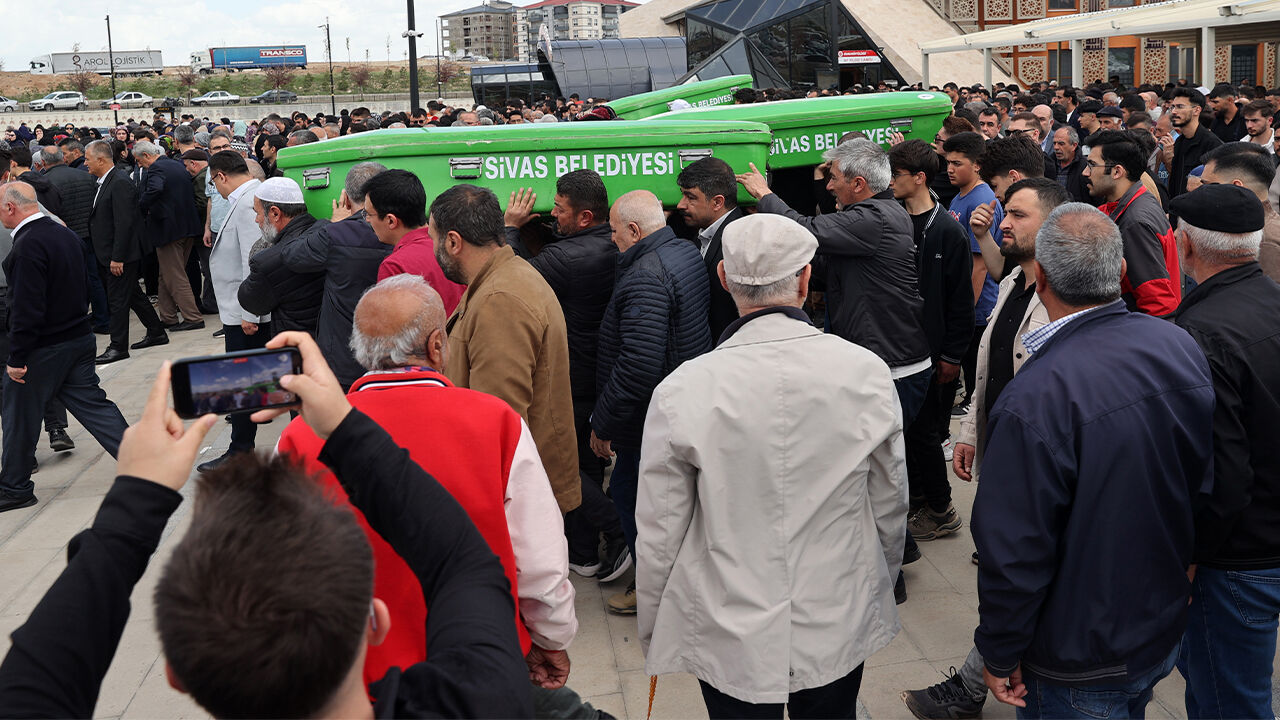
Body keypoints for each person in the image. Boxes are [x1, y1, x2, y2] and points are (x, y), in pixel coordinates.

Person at [0, 337, 534, 717]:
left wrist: (135, 499)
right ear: (375, 622)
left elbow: (40, 672)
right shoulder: (480, 700)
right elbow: (462, 559)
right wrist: (341, 424)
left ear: (175, 674)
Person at [636, 213, 907, 720]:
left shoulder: (684, 388)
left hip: (726, 618)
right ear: (806, 279)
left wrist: (654, 624)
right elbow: (890, 502)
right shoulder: (865, 372)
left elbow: (660, 530)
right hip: (836, 609)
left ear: (723, 278)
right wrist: (876, 582)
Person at [277, 274, 577, 691]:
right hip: (480, 666)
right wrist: (550, 638)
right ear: (437, 345)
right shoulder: (497, 422)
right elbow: (540, 562)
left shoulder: (300, 437)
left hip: (357, 675)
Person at [974, 204, 1214, 719]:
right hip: (1155, 625)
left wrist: (999, 648)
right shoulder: (1176, 344)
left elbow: (1014, 549)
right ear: (1122, 271)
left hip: (1076, 658)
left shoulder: (1033, 396)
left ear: (1040, 280)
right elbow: (1202, 477)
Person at [900, 178, 1070, 720]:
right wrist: (971, 432)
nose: (1005, 222)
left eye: (1018, 215)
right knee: (1002, 561)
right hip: (1001, 448)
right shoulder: (1018, 279)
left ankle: (979, 680)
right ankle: (992, 667)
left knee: (1018, 567)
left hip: (1031, 461)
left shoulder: (1060, 301)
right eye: (1004, 212)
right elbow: (992, 368)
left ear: (1053, 224)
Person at [1167, 184, 1280, 720]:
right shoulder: (1270, 301)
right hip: (1261, 542)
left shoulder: (1201, 332)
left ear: (1187, 245)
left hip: (1236, 559)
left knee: (1228, 701)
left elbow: (1222, 473)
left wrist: (1193, 555)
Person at [501, 171, 629, 582]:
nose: (552, 214)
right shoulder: (613, 244)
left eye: (559, 209)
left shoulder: (565, 259)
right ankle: (585, 552)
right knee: (586, 463)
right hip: (599, 373)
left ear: (585, 216)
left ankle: (614, 529)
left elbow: (516, 279)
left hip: (570, 378)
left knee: (562, 467)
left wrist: (511, 228)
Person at [594, 189, 711, 614]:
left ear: (634, 230)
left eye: (614, 231)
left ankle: (654, 590)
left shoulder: (646, 275)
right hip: (684, 401)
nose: (611, 240)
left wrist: (603, 422)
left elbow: (638, 364)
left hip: (651, 418)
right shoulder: (683, 251)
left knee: (632, 496)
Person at [434, 184, 581, 517]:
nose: (433, 249)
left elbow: (499, 423)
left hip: (512, 504)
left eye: (434, 239)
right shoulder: (501, 279)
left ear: (453, 242)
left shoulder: (499, 300)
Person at [0, 182, 130, 513]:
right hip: (78, 337)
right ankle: (144, 463)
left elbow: (26, 308)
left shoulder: (27, 245)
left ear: (11, 208)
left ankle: (15, 487)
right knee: (95, 407)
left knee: (19, 416)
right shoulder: (63, 233)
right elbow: (85, 285)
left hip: (45, 347)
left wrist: (17, 356)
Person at [888, 140, 975, 541]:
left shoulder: (946, 230)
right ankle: (920, 499)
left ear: (919, 178)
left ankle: (941, 509)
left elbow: (960, 301)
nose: (890, 181)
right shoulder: (893, 220)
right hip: (902, 349)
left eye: (896, 174)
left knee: (925, 433)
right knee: (907, 432)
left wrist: (952, 355)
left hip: (932, 353)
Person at [279, 161, 392, 389]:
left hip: (345, 355)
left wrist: (333, 224)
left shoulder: (335, 234)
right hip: (395, 352)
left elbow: (291, 255)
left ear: (346, 199)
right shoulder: (399, 227)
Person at [202, 150, 267, 471]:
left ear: (221, 176)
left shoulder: (246, 202)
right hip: (241, 309)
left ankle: (241, 450)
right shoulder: (246, 197)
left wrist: (250, 313)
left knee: (243, 383)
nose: (216, 189)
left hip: (245, 312)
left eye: (213, 183)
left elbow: (252, 260)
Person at [84, 140, 167, 364]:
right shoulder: (104, 181)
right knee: (132, 295)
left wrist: (117, 257)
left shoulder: (119, 182)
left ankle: (118, 346)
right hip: (110, 252)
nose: (85, 163)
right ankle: (156, 331)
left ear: (101, 159)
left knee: (118, 301)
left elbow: (125, 223)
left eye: (88, 159)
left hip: (121, 255)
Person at [1083, 131, 1181, 315]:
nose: (1085, 172)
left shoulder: (1135, 222)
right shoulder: (1135, 201)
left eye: (1092, 165)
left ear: (1117, 171)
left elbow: (1158, 303)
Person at [946, 132, 1003, 417]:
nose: (950, 169)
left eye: (957, 163)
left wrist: (965, 310)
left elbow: (979, 265)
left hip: (978, 304)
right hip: (964, 297)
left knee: (975, 361)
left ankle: (973, 401)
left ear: (977, 164)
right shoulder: (960, 196)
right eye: (948, 162)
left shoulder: (981, 200)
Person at [363, 169, 465, 313]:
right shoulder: (454, 247)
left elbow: (390, 323)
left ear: (391, 220)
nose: (367, 220)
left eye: (368, 214)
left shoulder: (395, 266)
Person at [236, 177, 326, 335]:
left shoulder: (268, 262)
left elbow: (250, 301)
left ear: (275, 213)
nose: (256, 220)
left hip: (295, 343)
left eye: (258, 213)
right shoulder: (327, 230)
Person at [133, 140, 204, 331]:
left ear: (146, 155)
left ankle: (193, 317)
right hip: (187, 227)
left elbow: (155, 189)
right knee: (166, 274)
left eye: (139, 161)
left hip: (168, 229)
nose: (140, 165)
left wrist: (141, 206)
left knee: (175, 275)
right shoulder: (176, 165)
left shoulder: (156, 169)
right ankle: (168, 317)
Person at [675, 157, 746, 340]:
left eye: (690, 197)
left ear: (717, 202)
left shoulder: (739, 244)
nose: (680, 205)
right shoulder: (701, 233)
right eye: (682, 195)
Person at [1200, 143, 1280, 281]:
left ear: (1237, 187)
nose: (1201, 193)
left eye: (1208, 186)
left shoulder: (1265, 242)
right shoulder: (1243, 228)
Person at [1166, 88, 1224, 197]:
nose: (1173, 111)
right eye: (1173, 107)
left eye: (1180, 107)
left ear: (1196, 110)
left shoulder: (1212, 144)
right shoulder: (1179, 141)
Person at [1051, 126, 1089, 202]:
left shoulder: (1085, 167)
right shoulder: (1049, 164)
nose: (1056, 147)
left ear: (1074, 146)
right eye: (1054, 143)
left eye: (1061, 144)